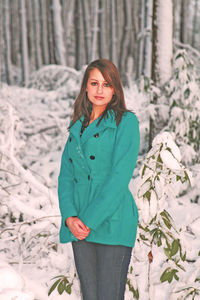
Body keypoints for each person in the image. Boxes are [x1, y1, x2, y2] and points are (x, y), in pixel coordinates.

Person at [58, 59, 140, 300]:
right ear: (86, 87)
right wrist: (70, 217)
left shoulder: (125, 122)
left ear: (115, 89)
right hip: (80, 224)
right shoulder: (77, 125)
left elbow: (119, 179)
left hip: (113, 222)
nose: (100, 90)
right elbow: (66, 176)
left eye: (107, 84)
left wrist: (87, 221)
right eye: (94, 83)